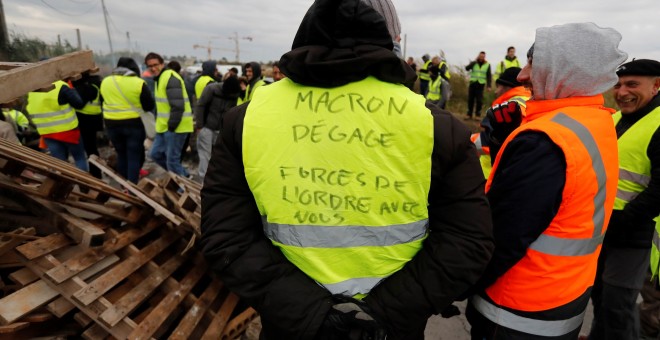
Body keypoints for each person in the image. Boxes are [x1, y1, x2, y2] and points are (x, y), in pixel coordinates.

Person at [200, 0, 494, 339]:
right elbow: (467, 241)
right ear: (391, 40)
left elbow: (227, 238)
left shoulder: (246, 120)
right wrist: (383, 314)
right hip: (391, 329)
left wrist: (313, 314)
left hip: (293, 326)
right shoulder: (437, 126)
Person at [466, 22, 627, 339]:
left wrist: (454, 285)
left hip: (515, 308)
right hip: (563, 297)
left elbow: (502, 238)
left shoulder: (546, 140)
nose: (523, 76)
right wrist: (507, 138)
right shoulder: (595, 120)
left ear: (563, 70)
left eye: (533, 64)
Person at [586, 59, 660, 340]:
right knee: (602, 299)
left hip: (636, 234)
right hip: (605, 229)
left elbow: (658, 191)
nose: (621, 92)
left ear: (656, 86)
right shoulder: (615, 118)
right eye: (617, 85)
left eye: (632, 85)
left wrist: (620, 221)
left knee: (618, 305)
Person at [100, 57, 155, 184]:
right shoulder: (138, 82)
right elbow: (148, 105)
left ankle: (123, 185)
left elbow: (101, 102)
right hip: (133, 124)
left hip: (112, 124)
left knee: (121, 154)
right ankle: (131, 188)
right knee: (133, 156)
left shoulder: (105, 81)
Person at [471, 67, 530, 179]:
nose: (495, 91)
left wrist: (464, 141)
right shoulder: (532, 101)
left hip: (491, 178)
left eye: (498, 87)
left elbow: (487, 141)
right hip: (517, 174)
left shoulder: (506, 109)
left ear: (507, 87)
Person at [145, 52, 193, 177]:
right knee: (155, 154)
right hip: (165, 127)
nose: (153, 68)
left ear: (162, 64)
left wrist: (172, 127)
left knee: (172, 161)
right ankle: (182, 176)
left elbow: (178, 106)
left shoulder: (170, 78)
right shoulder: (159, 79)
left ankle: (182, 188)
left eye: (156, 65)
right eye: (150, 66)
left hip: (177, 127)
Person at [26, 79, 89, 171]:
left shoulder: (32, 90)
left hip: (48, 133)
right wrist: (71, 88)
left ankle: (65, 184)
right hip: (68, 130)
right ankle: (85, 184)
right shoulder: (61, 85)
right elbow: (79, 104)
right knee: (79, 158)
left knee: (60, 164)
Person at [194, 74, 240, 181]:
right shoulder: (212, 89)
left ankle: (213, 180)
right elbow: (200, 105)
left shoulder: (234, 93)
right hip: (206, 128)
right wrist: (199, 126)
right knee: (204, 155)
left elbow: (232, 112)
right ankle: (202, 181)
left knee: (217, 156)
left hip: (221, 130)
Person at [72, 71, 104, 179]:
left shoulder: (85, 87)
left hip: (84, 121)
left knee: (87, 150)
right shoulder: (97, 83)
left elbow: (80, 104)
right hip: (95, 119)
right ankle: (96, 174)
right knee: (92, 149)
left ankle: (94, 175)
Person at [465, 51, 492, 120]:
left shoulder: (487, 65)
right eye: (480, 56)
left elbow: (489, 76)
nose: (481, 57)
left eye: (483, 56)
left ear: (484, 57)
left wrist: (489, 86)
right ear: (478, 56)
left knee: (479, 100)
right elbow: (467, 68)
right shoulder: (474, 63)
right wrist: (473, 63)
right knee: (471, 99)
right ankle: (469, 114)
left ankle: (478, 115)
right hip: (473, 83)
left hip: (481, 84)